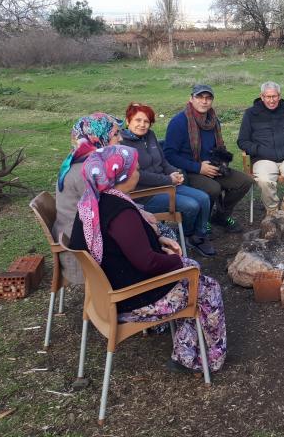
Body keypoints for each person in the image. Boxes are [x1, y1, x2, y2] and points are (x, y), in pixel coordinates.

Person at [68, 145, 227, 374]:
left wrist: (159, 239)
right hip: (131, 299)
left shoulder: (93, 202)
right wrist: (175, 260)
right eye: (136, 170)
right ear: (122, 175)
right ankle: (204, 358)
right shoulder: (120, 212)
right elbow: (148, 263)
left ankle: (186, 348)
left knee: (194, 272)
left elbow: (125, 245)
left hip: (107, 291)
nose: (139, 174)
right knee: (207, 287)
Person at [120, 102, 216, 257]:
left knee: (204, 198)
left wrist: (175, 173)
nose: (142, 125)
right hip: (145, 194)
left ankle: (199, 235)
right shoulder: (122, 144)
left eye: (146, 121)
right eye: (138, 120)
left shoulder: (149, 136)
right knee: (191, 206)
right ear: (128, 120)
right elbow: (138, 175)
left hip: (167, 184)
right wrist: (167, 179)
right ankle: (188, 233)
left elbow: (163, 161)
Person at [163, 84, 253, 234]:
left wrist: (221, 163)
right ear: (191, 99)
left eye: (208, 98)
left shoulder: (213, 121)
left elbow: (220, 146)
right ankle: (202, 220)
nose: (204, 101)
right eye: (199, 97)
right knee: (213, 188)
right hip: (188, 170)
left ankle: (220, 216)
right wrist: (199, 167)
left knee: (245, 181)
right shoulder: (179, 122)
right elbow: (169, 155)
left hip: (213, 167)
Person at [53, 113, 122, 284]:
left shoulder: (83, 161)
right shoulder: (87, 172)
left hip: (84, 241)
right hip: (82, 256)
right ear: (98, 138)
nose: (121, 138)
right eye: (115, 134)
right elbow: (111, 212)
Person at [236, 81, 284, 215]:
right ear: (262, 96)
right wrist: (259, 150)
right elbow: (242, 141)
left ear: (279, 96)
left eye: (274, 96)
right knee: (264, 180)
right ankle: (272, 210)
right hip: (262, 158)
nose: (271, 100)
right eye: (268, 97)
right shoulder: (251, 113)